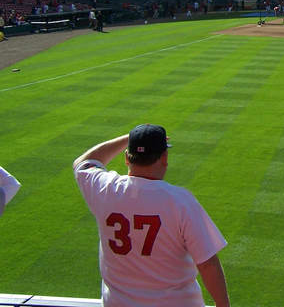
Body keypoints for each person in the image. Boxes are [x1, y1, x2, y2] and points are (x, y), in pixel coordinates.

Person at [73, 124, 230, 307]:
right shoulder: (180, 201)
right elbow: (207, 264)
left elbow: (84, 162)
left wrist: (129, 139)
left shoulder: (105, 189)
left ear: (127, 158)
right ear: (164, 158)